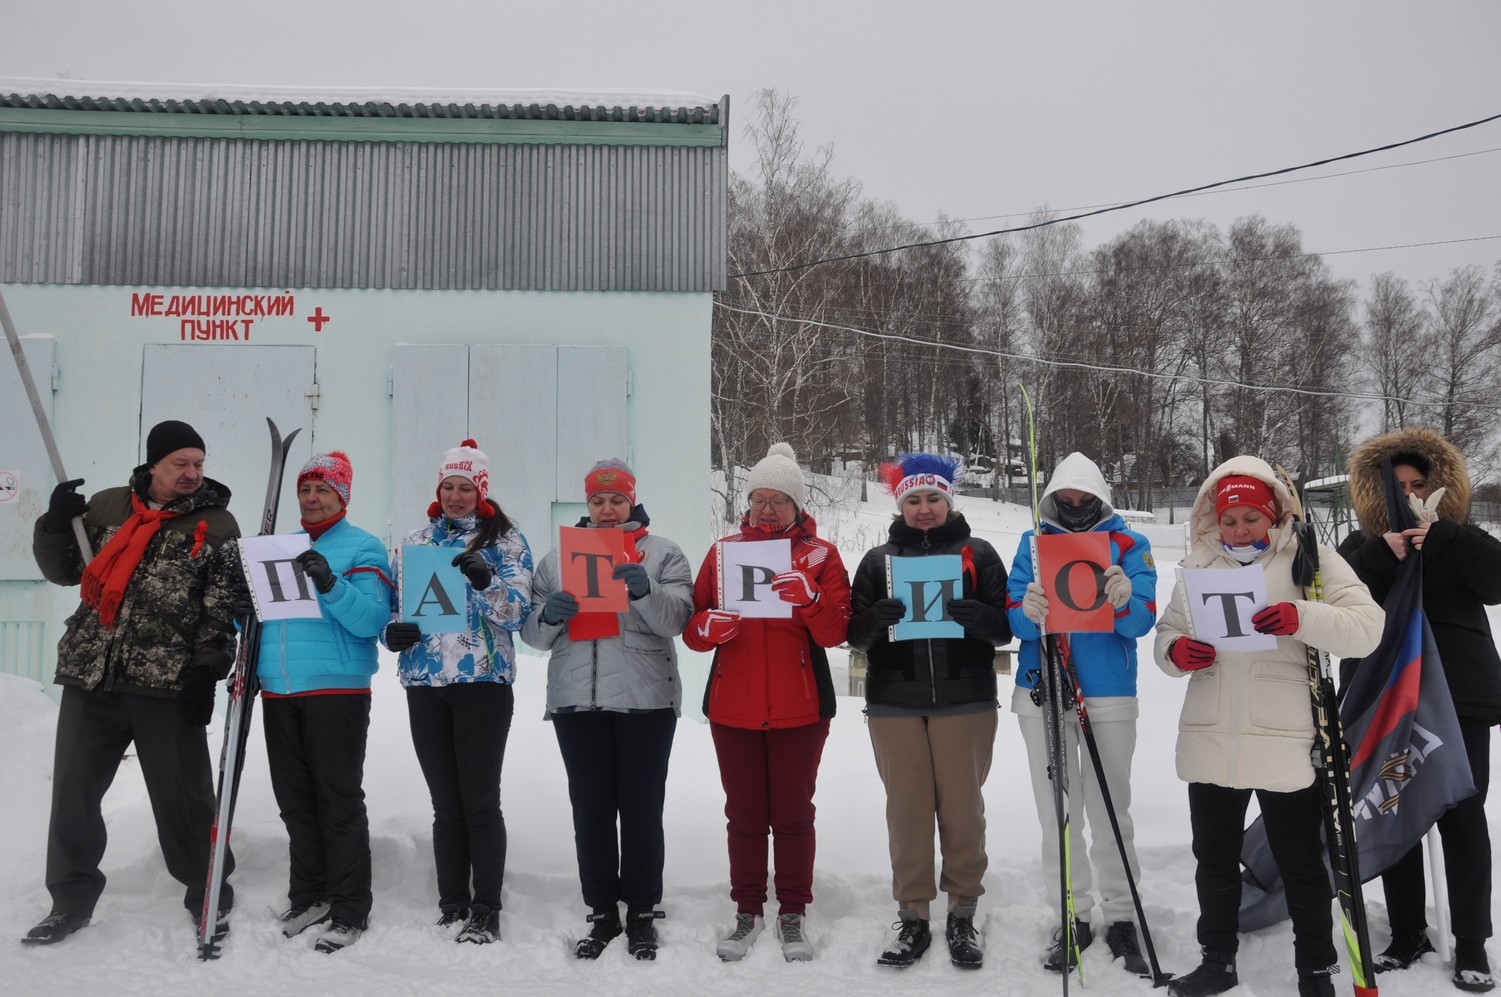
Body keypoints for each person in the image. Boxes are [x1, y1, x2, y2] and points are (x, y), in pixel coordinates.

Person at [1155, 456, 1383, 997]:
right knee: (1213, 860)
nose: (1238, 529)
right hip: (1211, 736)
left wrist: (1302, 616)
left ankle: (1315, 969)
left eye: (1250, 518)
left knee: (1300, 862)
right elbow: (1168, 635)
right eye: (1229, 519)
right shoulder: (1200, 566)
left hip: (1287, 740)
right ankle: (1218, 960)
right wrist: (1175, 653)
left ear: (1274, 514)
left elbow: (1366, 628)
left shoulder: (1311, 558)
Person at [25, 420, 242, 945]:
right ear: (152, 466)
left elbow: (224, 605)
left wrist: (210, 667)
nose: (191, 473)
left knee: (185, 801)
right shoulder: (105, 507)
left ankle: (207, 895)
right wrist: (55, 524)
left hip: (166, 683)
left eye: (198, 464)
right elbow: (65, 570)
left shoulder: (216, 525)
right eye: (179, 464)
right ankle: (70, 901)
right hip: (90, 674)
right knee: (74, 796)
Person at [1337, 428, 1501, 993]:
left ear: (1439, 487)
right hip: (1385, 698)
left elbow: (1496, 581)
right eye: (1398, 485)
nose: (1408, 494)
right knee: (1394, 808)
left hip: (1456, 701)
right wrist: (1388, 552)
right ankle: (1407, 932)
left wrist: (1445, 536)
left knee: (1461, 813)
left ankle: (1473, 942)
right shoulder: (1359, 546)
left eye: (1419, 484)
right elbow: (1337, 599)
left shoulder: (1465, 539)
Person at [681, 442, 852, 963]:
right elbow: (694, 625)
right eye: (760, 499)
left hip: (800, 709)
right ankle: (747, 910)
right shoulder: (724, 551)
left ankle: (794, 911)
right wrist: (704, 629)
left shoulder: (821, 556)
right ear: (747, 505)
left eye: (779, 500)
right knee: (745, 815)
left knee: (795, 814)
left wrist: (813, 600)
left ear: (798, 506)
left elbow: (836, 632)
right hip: (733, 708)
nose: (768, 509)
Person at [521, 459, 693, 961]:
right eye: (598, 501)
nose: (608, 509)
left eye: (617, 499)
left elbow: (677, 620)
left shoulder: (663, 555)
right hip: (578, 701)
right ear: (587, 505)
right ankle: (601, 910)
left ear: (632, 501)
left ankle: (641, 910)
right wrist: (548, 616)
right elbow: (532, 635)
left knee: (641, 810)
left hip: (645, 701)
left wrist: (644, 590)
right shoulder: (558, 560)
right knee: (590, 810)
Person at [846, 453, 1011, 970]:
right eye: (913, 500)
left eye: (933, 499)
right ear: (900, 504)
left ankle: (963, 910)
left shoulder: (979, 553)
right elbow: (851, 634)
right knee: (908, 811)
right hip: (895, 701)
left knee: (963, 810)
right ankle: (913, 913)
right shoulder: (878, 561)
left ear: (949, 501)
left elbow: (1007, 628)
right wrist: (875, 618)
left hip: (966, 699)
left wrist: (980, 617)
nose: (923, 509)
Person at [1005, 451, 1157, 976]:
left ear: (1100, 499)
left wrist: (1121, 600)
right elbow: (1014, 621)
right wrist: (1026, 611)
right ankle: (1070, 914)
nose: (1073, 508)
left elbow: (1140, 623)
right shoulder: (1032, 543)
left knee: (1112, 811)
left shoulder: (1130, 544)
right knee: (1057, 814)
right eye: (1064, 501)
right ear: (1051, 500)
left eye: (1083, 501)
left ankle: (1122, 917)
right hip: (1042, 692)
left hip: (1107, 694)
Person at [384, 440, 532, 945]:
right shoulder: (414, 541)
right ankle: (452, 903)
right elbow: (393, 606)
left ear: (481, 491)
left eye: (465, 487)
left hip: (482, 684)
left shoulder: (506, 542)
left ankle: (486, 907)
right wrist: (392, 633)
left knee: (479, 802)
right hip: (425, 684)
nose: (455, 496)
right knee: (445, 803)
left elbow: (518, 613)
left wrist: (486, 580)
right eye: (447, 486)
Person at [256, 451, 393, 953]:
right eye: (305, 490)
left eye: (323, 491)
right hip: (279, 687)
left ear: (342, 497)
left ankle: (350, 905)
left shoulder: (364, 547)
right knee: (295, 802)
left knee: (337, 800)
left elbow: (373, 621)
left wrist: (330, 582)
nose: (311, 499)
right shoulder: (277, 546)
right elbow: (262, 619)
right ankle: (310, 894)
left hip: (336, 687)